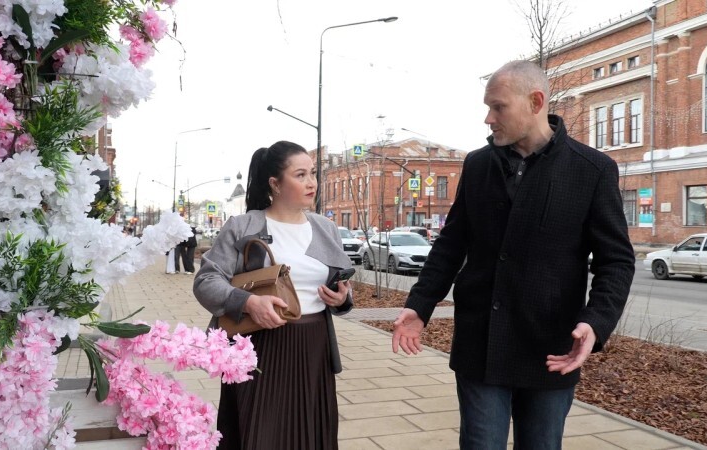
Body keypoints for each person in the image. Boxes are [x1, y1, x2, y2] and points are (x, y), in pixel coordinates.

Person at [391, 60, 635, 449]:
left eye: (498, 107)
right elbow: (452, 245)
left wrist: (597, 321)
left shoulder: (592, 169)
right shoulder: (477, 165)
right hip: (481, 343)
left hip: (551, 347)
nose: (488, 118)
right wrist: (419, 306)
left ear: (535, 101)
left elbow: (616, 261)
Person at [193, 141, 353, 450]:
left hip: (313, 348)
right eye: (301, 174)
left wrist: (342, 298)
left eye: (313, 174)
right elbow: (206, 281)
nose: (312, 183)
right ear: (275, 184)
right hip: (258, 348)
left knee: (311, 434)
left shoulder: (326, 228)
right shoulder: (244, 226)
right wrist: (249, 302)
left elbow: (343, 286)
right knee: (260, 434)